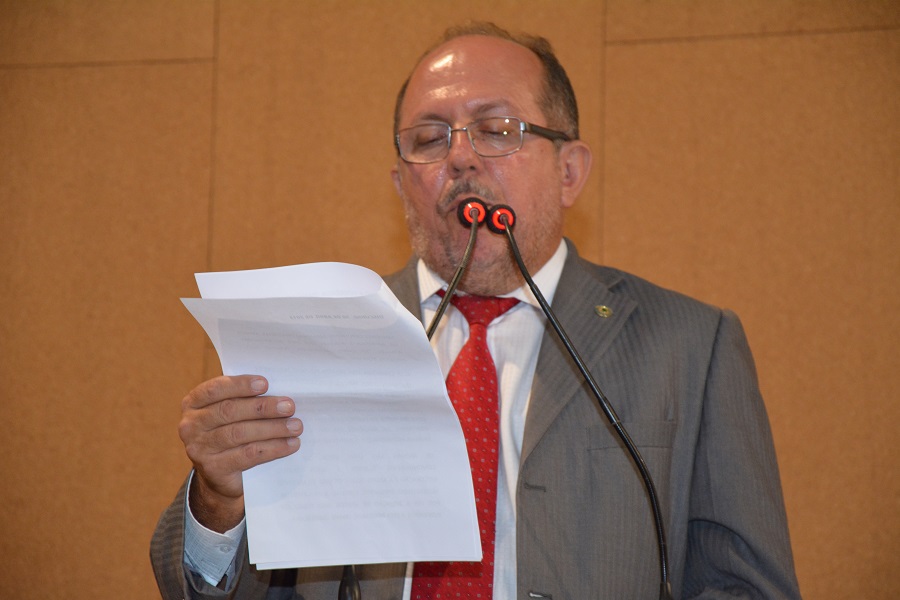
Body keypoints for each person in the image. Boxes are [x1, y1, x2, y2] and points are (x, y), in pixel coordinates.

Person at [151, 22, 802, 600]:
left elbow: (745, 586)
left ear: (569, 172)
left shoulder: (690, 345)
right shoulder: (317, 341)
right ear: (401, 183)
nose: (459, 157)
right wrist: (219, 501)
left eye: (496, 130)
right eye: (429, 139)